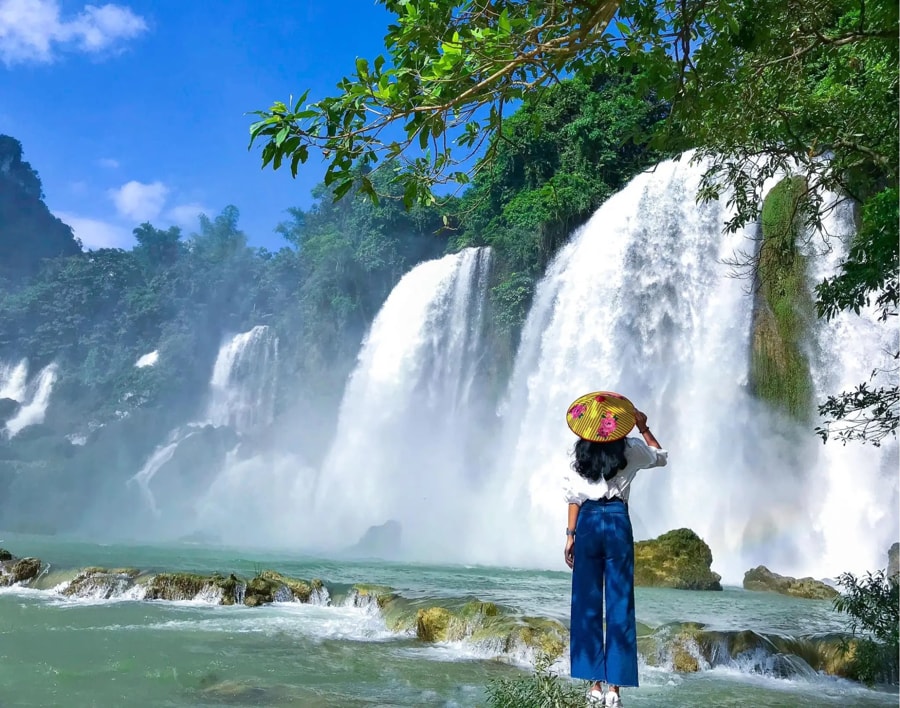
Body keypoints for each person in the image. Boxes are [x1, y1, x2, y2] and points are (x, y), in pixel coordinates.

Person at [563, 405, 666, 707]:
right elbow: (660, 457)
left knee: (586, 603)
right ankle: (614, 692)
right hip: (618, 521)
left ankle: (594, 685)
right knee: (621, 603)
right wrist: (643, 427)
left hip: (588, 522)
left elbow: (574, 497)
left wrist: (570, 536)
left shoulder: (579, 454)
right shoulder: (630, 448)